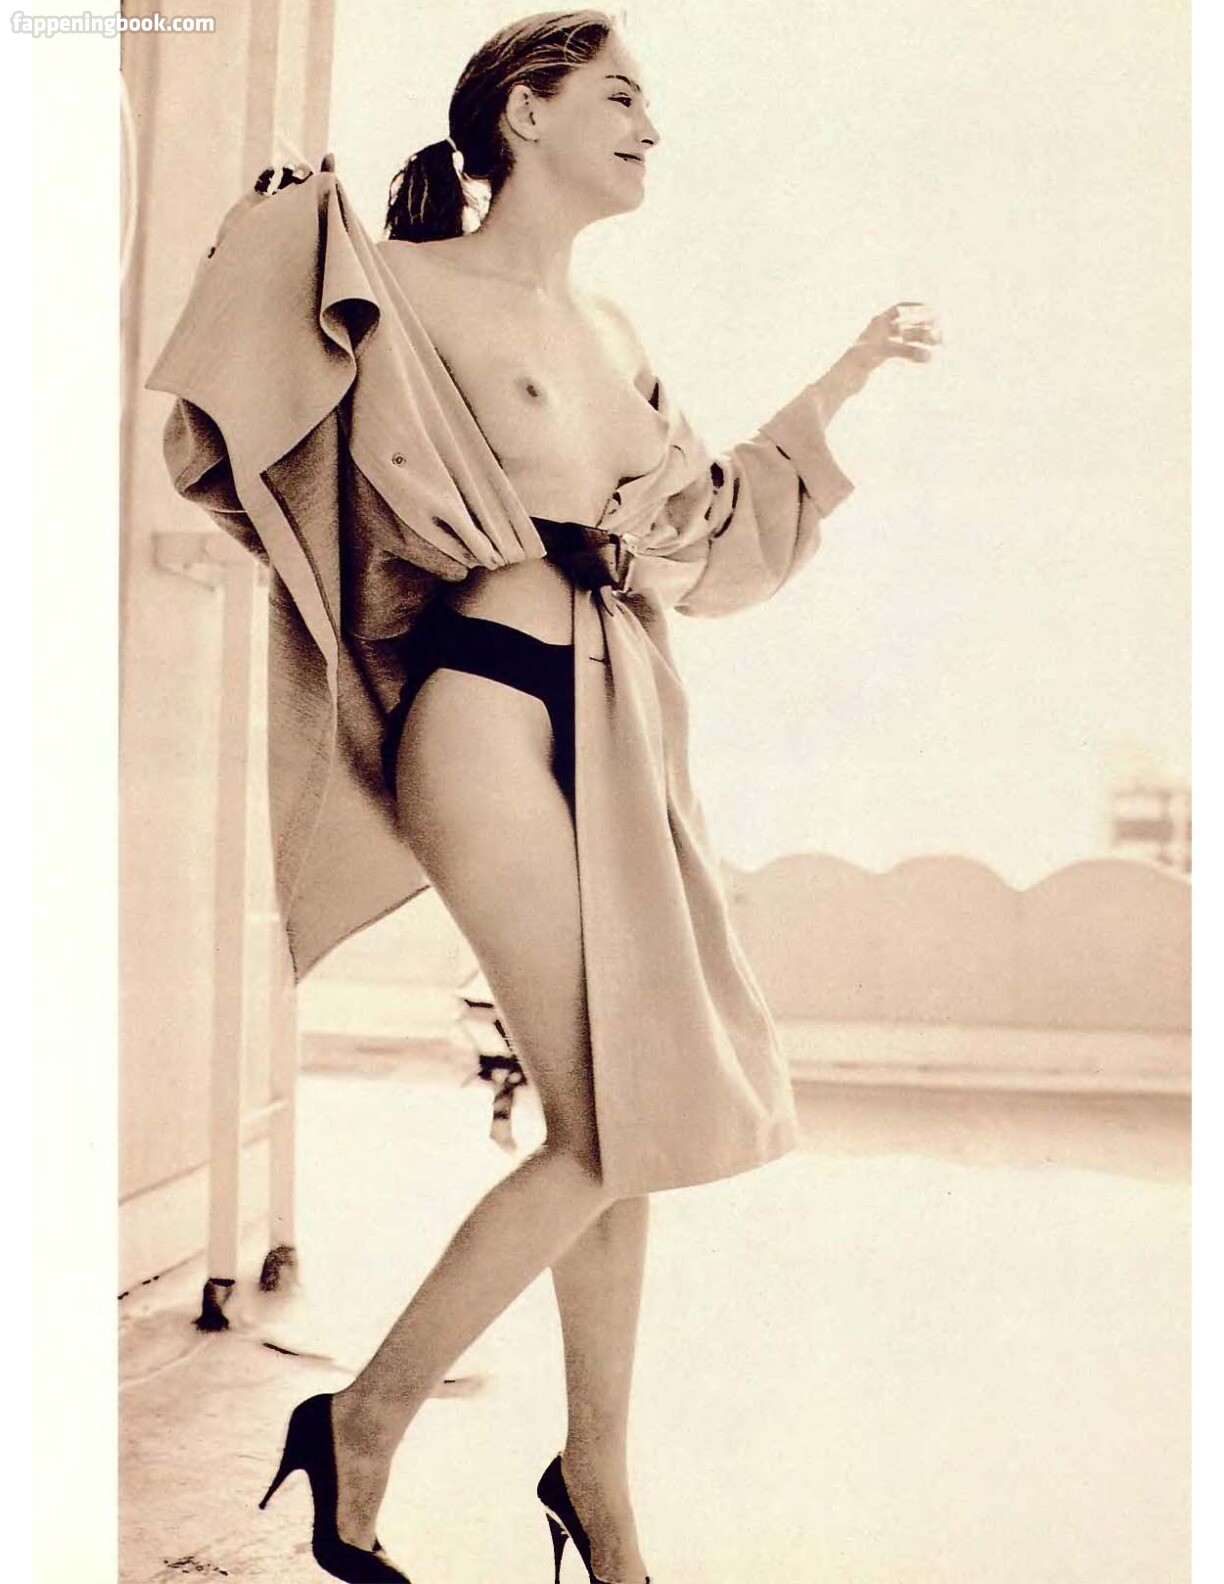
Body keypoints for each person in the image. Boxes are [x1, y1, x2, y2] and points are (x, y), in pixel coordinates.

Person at [188, 12, 937, 1584]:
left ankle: (594, 1477)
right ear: (524, 117)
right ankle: (368, 1419)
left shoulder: (613, 328)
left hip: (615, 713)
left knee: (632, 1108)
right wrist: (269, 228)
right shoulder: (405, 282)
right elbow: (247, 405)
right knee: (613, 1120)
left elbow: (701, 534)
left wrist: (839, 384)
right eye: (620, 96)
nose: (651, 127)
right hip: (477, 705)